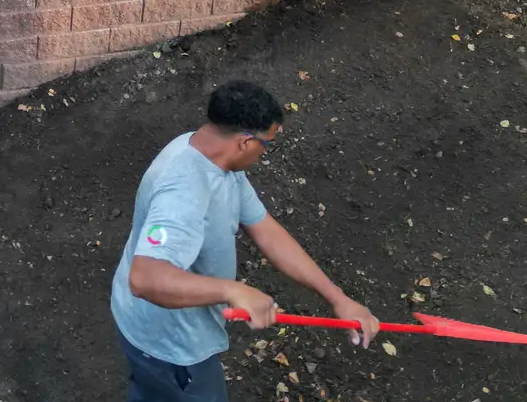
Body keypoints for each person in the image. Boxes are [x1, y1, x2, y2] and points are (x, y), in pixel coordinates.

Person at [109, 80, 380, 401]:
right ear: (244, 142)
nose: (264, 154)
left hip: (155, 331)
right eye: (267, 145)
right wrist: (232, 290)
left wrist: (337, 298)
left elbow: (264, 228)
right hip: (170, 346)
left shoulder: (212, 156)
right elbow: (145, 279)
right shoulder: (184, 191)